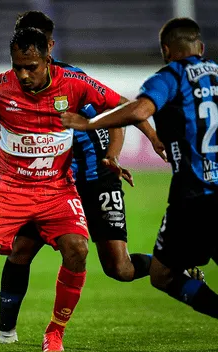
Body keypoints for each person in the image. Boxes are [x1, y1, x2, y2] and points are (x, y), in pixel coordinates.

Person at [0, 10, 194, 348]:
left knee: (120, 269)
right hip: (50, 184)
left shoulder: (74, 81)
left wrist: (116, 154)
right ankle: (10, 333)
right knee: (20, 251)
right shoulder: (12, 85)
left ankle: (175, 264)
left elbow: (118, 115)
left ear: (49, 45)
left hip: (96, 180)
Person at [0, 27, 128, 352]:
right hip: (9, 187)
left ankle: (55, 332)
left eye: (30, 66)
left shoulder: (73, 83)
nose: (23, 74)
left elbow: (121, 108)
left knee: (78, 250)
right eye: (18, 66)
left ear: (48, 56)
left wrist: (123, 149)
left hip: (57, 190)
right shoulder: (0, 86)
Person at [62, 17, 218, 320]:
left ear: (166, 50)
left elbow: (139, 109)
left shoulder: (172, 75)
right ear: (200, 47)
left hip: (194, 197)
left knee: (162, 275)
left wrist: (88, 122)